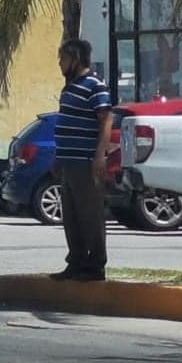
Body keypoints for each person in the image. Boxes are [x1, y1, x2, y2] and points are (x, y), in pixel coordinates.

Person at [51, 38, 114, 282]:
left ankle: (95, 264)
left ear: (76, 58)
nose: (60, 63)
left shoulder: (95, 86)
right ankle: (76, 261)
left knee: (90, 214)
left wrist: (100, 155)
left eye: (63, 59)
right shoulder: (69, 88)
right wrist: (59, 156)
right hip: (68, 160)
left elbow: (106, 119)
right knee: (71, 215)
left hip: (86, 161)